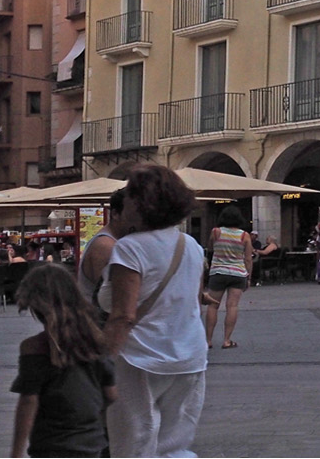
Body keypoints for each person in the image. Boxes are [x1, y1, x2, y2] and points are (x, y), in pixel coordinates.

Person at [101, 164, 213, 458]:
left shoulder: (129, 248)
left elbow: (123, 315)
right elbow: (193, 299)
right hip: (189, 356)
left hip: (140, 358)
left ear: (140, 203)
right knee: (174, 446)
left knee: (133, 444)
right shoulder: (192, 246)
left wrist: (102, 362)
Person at [10, 263, 117, 459]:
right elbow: (110, 394)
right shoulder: (96, 341)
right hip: (92, 442)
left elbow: (28, 401)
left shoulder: (35, 348)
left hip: (51, 444)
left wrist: (16, 453)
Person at [204, 205, 253, 349]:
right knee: (232, 306)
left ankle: (208, 340)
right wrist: (248, 277)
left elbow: (210, 248)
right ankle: (226, 340)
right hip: (238, 274)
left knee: (213, 306)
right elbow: (248, 258)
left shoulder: (216, 232)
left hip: (218, 272)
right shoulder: (245, 235)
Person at [78, 189, 131, 319]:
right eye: (132, 214)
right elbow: (112, 298)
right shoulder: (106, 246)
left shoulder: (112, 242)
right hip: (99, 326)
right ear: (115, 214)